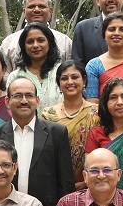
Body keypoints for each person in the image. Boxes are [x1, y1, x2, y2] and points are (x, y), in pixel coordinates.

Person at [0, 76, 75, 206]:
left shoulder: (57, 133)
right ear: (7, 101)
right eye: (18, 96)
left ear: (37, 101)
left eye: (29, 95)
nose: (24, 101)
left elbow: (65, 183)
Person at [42, 60, 100, 189]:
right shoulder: (48, 114)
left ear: (84, 81)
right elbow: (45, 153)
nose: (70, 82)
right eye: (64, 78)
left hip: (93, 183)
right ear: (59, 84)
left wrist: (86, 182)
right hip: (56, 184)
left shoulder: (98, 113)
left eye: (75, 77)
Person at [84, 12, 123, 100]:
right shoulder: (94, 66)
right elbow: (92, 104)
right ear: (104, 35)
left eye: (122, 29)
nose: (116, 33)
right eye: (111, 29)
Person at [0, 0, 73, 67]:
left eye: (42, 6)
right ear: (24, 11)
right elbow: (5, 76)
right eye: (31, 6)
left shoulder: (65, 43)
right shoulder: (9, 43)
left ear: (50, 11)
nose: (37, 10)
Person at [6, 22, 63, 110]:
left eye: (41, 40)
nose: (35, 45)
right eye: (30, 42)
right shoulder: (15, 76)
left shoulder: (62, 73)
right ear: (23, 46)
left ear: (49, 43)